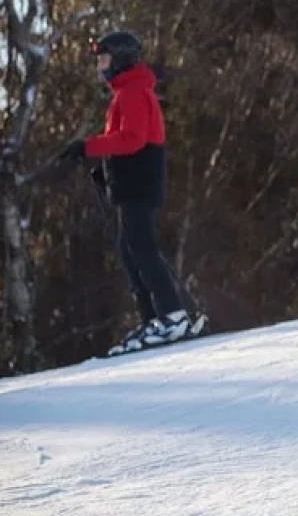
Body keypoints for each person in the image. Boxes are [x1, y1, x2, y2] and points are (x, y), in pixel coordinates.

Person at [60, 31, 204, 354]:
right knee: (131, 252)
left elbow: (134, 140)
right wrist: (105, 171)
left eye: (104, 59)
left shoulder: (133, 93)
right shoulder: (125, 94)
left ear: (121, 59)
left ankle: (173, 316)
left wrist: (88, 147)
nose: (100, 66)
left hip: (139, 186)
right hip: (132, 185)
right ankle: (154, 319)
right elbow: (124, 144)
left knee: (142, 249)